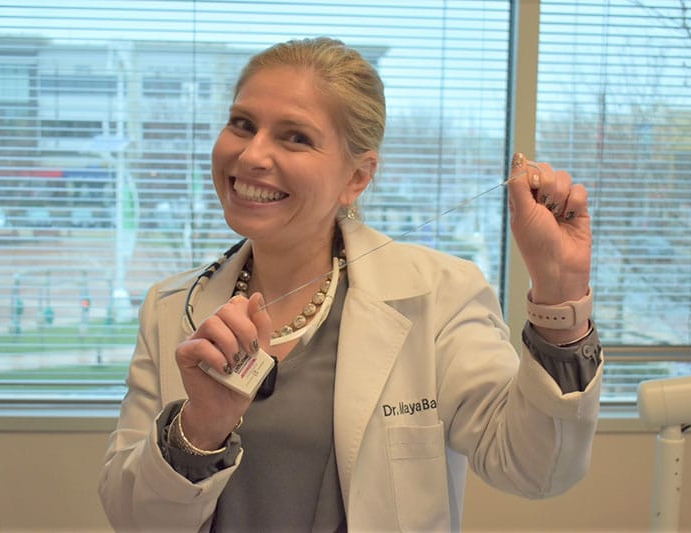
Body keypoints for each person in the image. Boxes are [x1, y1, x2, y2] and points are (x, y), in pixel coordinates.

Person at [98, 37, 603, 532]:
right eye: (242, 124)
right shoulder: (169, 311)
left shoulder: (438, 295)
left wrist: (560, 295)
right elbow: (136, 517)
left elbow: (536, 469)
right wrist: (198, 430)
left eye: (295, 136)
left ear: (357, 177)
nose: (251, 155)